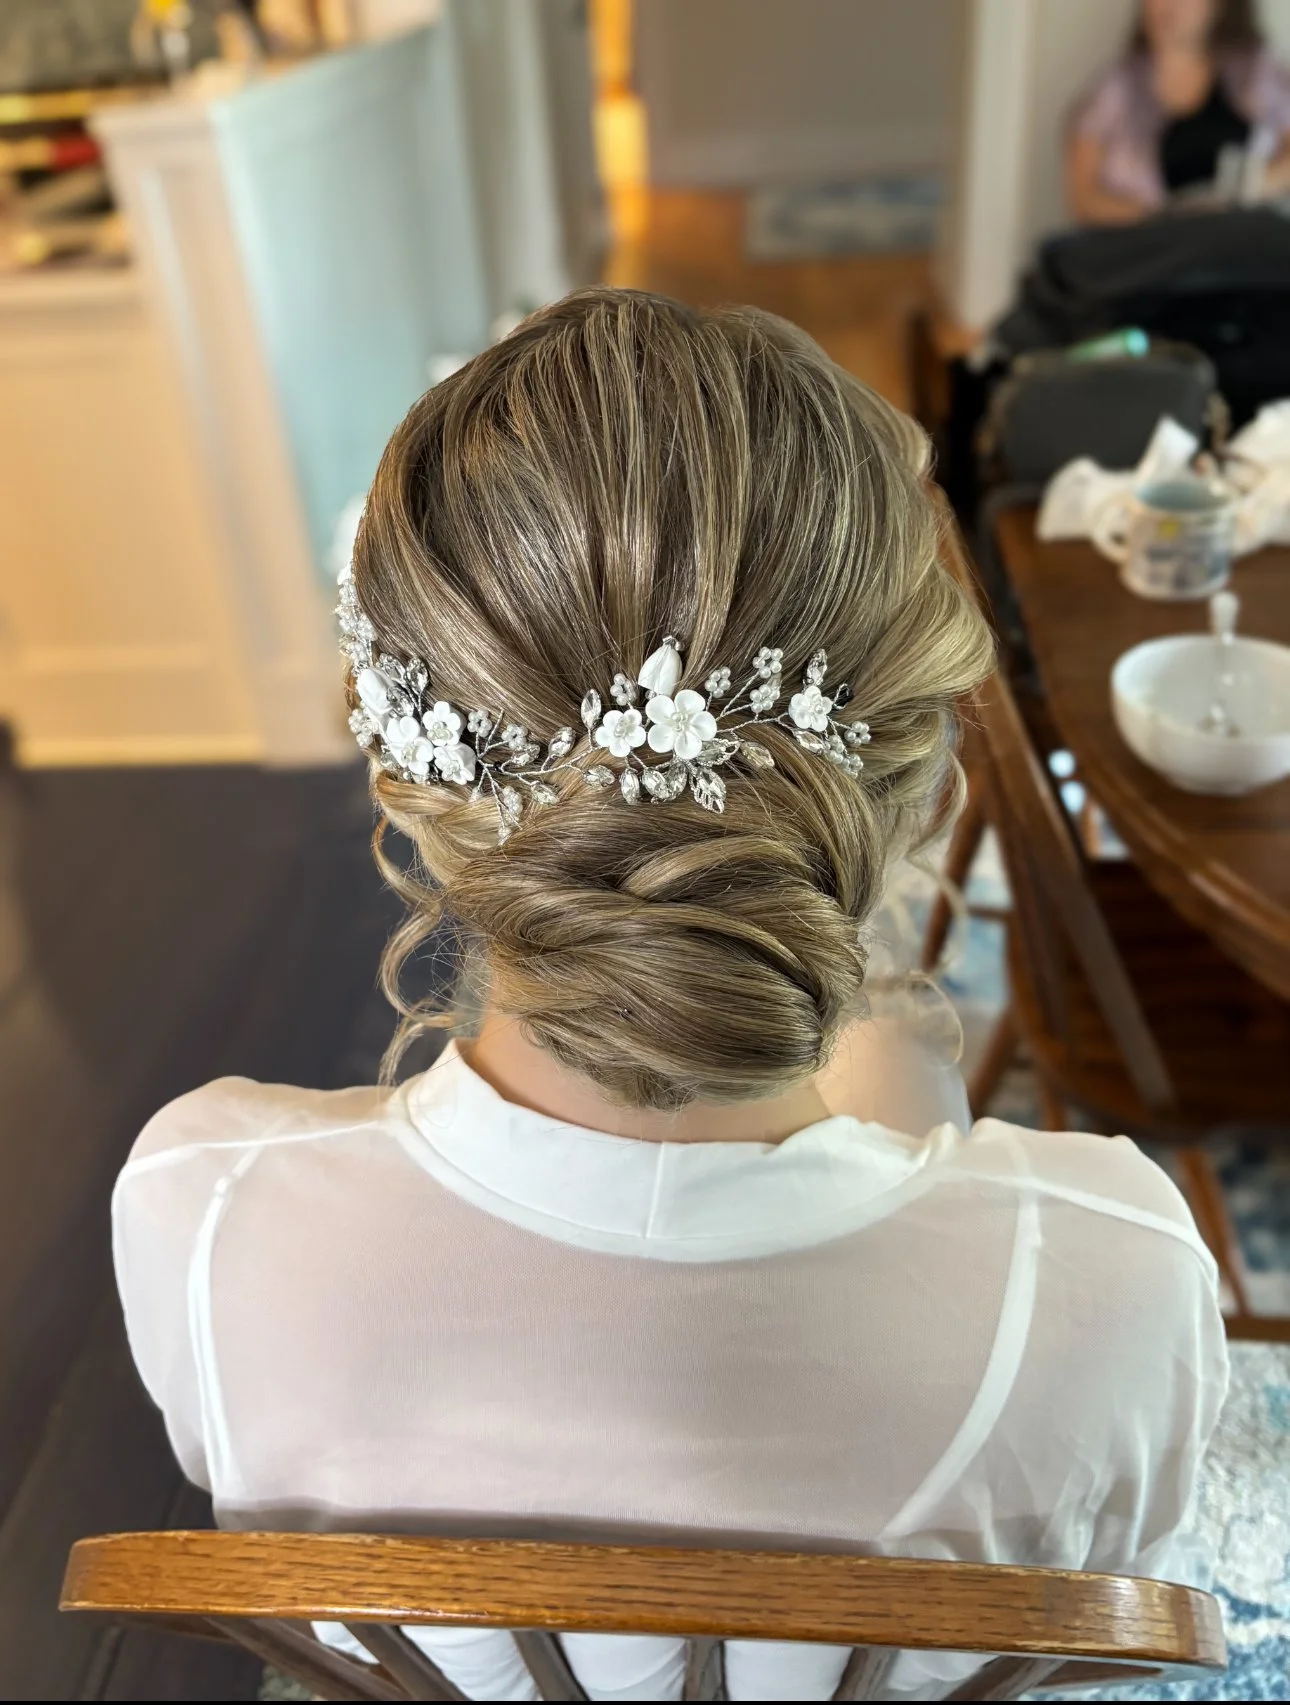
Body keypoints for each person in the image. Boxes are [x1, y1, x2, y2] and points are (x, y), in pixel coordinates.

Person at [113, 289, 1227, 1702]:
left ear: (413, 772)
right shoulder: (1110, 1274)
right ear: (919, 792)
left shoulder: (202, 1208)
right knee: (904, 1060)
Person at [1067, 0, 1290, 223]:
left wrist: (1250, 189)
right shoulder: (1112, 92)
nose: (1170, 5)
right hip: (1156, 246)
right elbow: (1084, 200)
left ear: (1219, 5)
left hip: (1243, 237)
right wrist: (1166, 218)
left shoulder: (1256, 74)